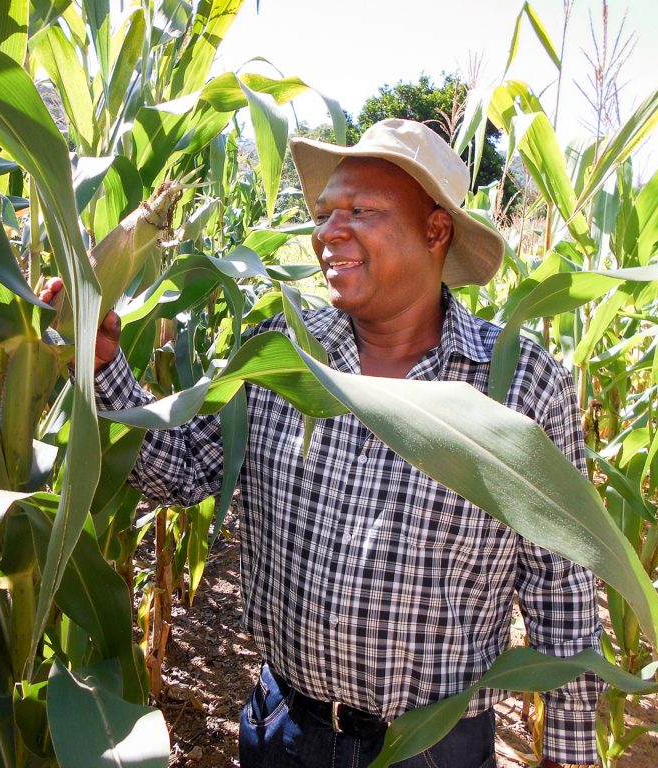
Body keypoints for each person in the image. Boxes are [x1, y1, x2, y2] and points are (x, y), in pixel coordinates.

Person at [43, 118, 602, 768]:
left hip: (431, 747)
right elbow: (181, 469)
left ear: (435, 230)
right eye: (323, 213)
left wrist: (568, 755)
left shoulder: (522, 385)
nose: (328, 233)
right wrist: (105, 362)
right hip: (286, 730)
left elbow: (561, 591)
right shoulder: (283, 354)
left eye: (361, 211)